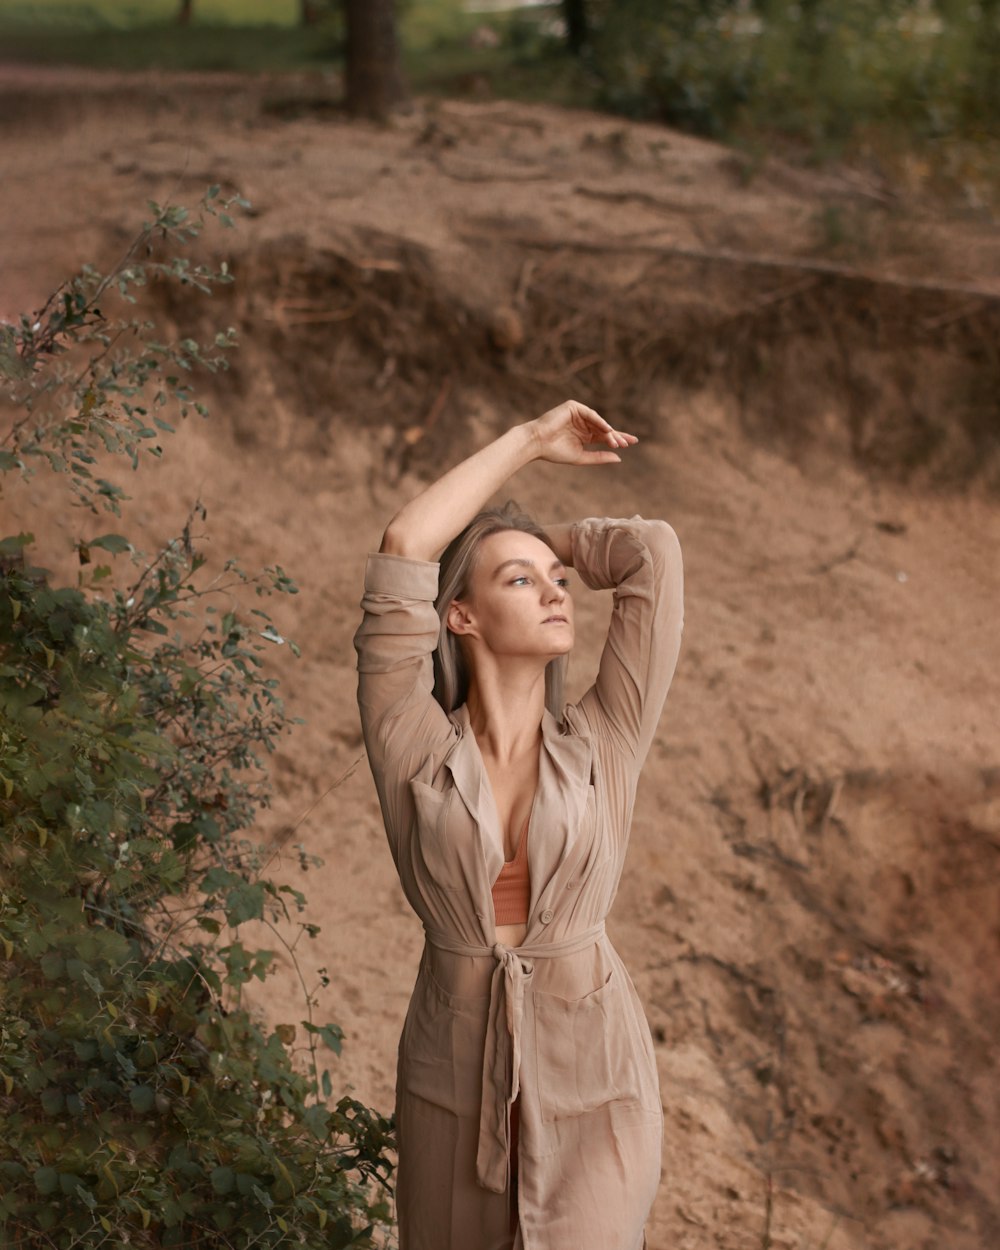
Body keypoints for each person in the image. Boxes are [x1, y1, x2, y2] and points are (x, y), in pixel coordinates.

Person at [353, 400, 684, 1250]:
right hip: (451, 1086)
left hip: (597, 1083)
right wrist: (530, 443)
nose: (553, 594)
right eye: (518, 582)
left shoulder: (605, 739)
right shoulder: (412, 745)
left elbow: (652, 554)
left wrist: (543, 540)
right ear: (458, 616)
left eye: (559, 583)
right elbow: (405, 547)